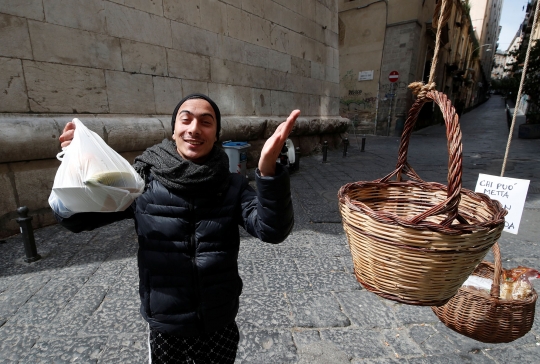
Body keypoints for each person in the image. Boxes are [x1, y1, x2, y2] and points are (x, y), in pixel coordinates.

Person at [55, 93, 299, 363]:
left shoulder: (232, 186)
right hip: (165, 324)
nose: (194, 129)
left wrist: (268, 171)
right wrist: (79, 163)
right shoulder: (142, 181)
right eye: (186, 120)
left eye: (206, 122)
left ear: (216, 134)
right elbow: (77, 219)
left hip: (218, 321)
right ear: (174, 131)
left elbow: (272, 230)